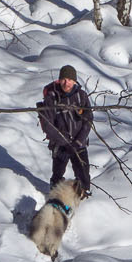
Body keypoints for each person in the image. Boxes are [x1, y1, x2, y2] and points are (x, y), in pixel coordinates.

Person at [36, 64, 93, 196]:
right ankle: (54, 196)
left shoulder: (82, 96)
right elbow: (48, 125)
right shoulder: (52, 97)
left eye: (69, 79)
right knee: (58, 172)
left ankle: (83, 195)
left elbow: (88, 119)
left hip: (79, 143)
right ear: (59, 80)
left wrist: (77, 142)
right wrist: (65, 143)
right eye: (63, 79)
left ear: (74, 81)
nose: (66, 82)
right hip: (60, 144)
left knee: (83, 173)